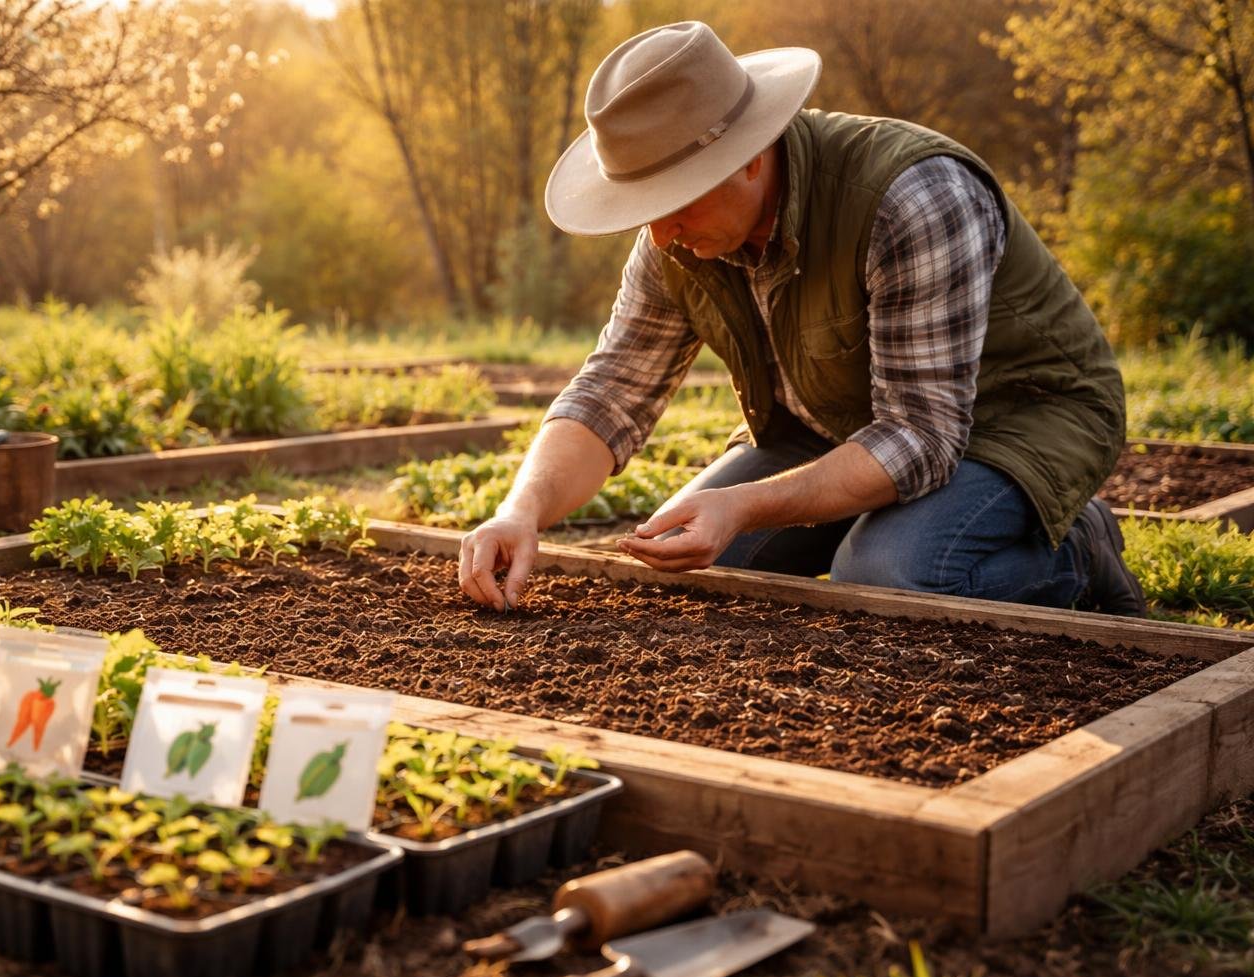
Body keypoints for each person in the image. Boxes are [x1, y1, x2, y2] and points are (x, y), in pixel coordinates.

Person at [457, 20, 1146, 617]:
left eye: (674, 201)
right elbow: (612, 390)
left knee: (885, 576)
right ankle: (895, 523)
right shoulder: (676, 239)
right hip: (842, 421)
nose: (660, 236)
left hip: (1014, 418)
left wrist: (744, 505)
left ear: (748, 158)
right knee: (687, 563)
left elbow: (923, 434)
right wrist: (520, 511)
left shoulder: (910, 196)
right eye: (645, 207)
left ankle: (1076, 551)